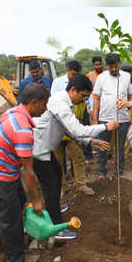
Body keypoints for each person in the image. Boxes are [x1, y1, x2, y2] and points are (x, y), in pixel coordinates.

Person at [33, 75, 118, 239]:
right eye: (83, 95)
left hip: (44, 149)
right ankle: (56, 229)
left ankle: (54, 206)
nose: (84, 100)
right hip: (38, 151)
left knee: (57, 175)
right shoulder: (60, 103)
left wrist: (90, 140)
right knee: (51, 185)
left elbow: (69, 130)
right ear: (73, 90)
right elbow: (76, 129)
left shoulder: (65, 102)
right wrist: (105, 126)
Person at [0, 83, 49, 262]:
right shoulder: (22, 130)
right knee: (12, 220)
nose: (45, 109)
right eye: (44, 104)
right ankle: (16, 261)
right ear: (34, 102)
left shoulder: (13, 112)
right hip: (1, 177)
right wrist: (37, 199)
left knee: (18, 200)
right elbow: (28, 171)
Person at [50, 60, 94, 195]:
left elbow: (80, 118)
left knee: (78, 157)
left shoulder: (82, 99)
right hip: (56, 132)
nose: (84, 99)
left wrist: (81, 137)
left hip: (72, 133)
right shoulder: (57, 84)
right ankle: (61, 187)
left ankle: (81, 184)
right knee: (58, 163)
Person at [92, 53, 132, 178]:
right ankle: (101, 169)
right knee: (103, 145)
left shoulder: (127, 77)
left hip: (122, 119)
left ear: (119, 65)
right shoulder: (101, 77)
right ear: (107, 66)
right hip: (104, 119)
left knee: (120, 146)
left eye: (115, 67)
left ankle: (118, 170)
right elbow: (96, 98)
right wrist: (95, 118)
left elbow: (131, 97)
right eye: (111, 67)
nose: (113, 69)